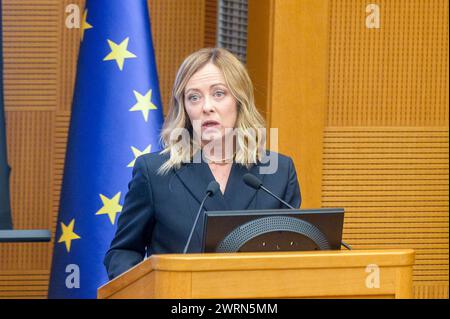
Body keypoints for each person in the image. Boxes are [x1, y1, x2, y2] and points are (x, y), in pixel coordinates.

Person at [104, 48, 301, 280]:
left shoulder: (277, 172)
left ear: (239, 100)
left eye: (218, 93)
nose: (206, 107)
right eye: (194, 97)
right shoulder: (155, 172)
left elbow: (294, 255)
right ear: (185, 109)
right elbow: (123, 251)